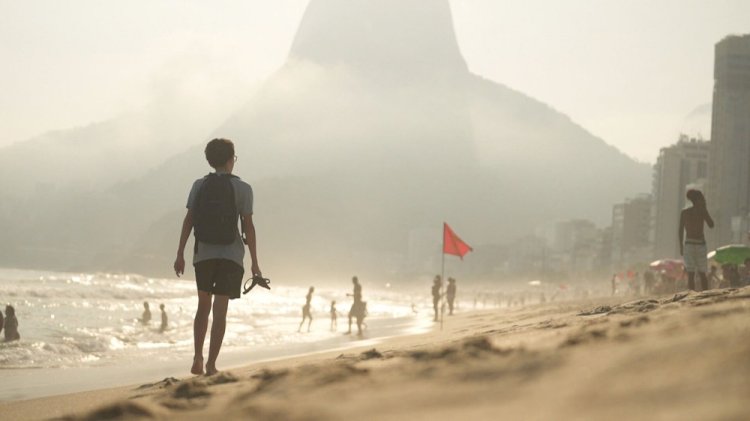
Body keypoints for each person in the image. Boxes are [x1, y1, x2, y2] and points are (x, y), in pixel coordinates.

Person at [173, 138, 261, 376]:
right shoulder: (243, 189)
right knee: (220, 311)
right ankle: (212, 364)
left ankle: (197, 358)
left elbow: (189, 220)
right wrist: (255, 263)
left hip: (203, 254)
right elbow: (249, 227)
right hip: (231, 257)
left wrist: (180, 252)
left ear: (210, 160)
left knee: (203, 306)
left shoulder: (199, 185)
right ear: (231, 159)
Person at [679, 190, 714, 291]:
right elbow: (711, 225)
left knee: (691, 273)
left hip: (689, 244)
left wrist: (681, 245)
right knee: (702, 272)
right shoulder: (702, 211)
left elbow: (680, 230)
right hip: (700, 244)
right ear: (698, 200)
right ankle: (705, 293)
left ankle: (691, 294)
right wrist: (705, 209)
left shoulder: (685, 212)